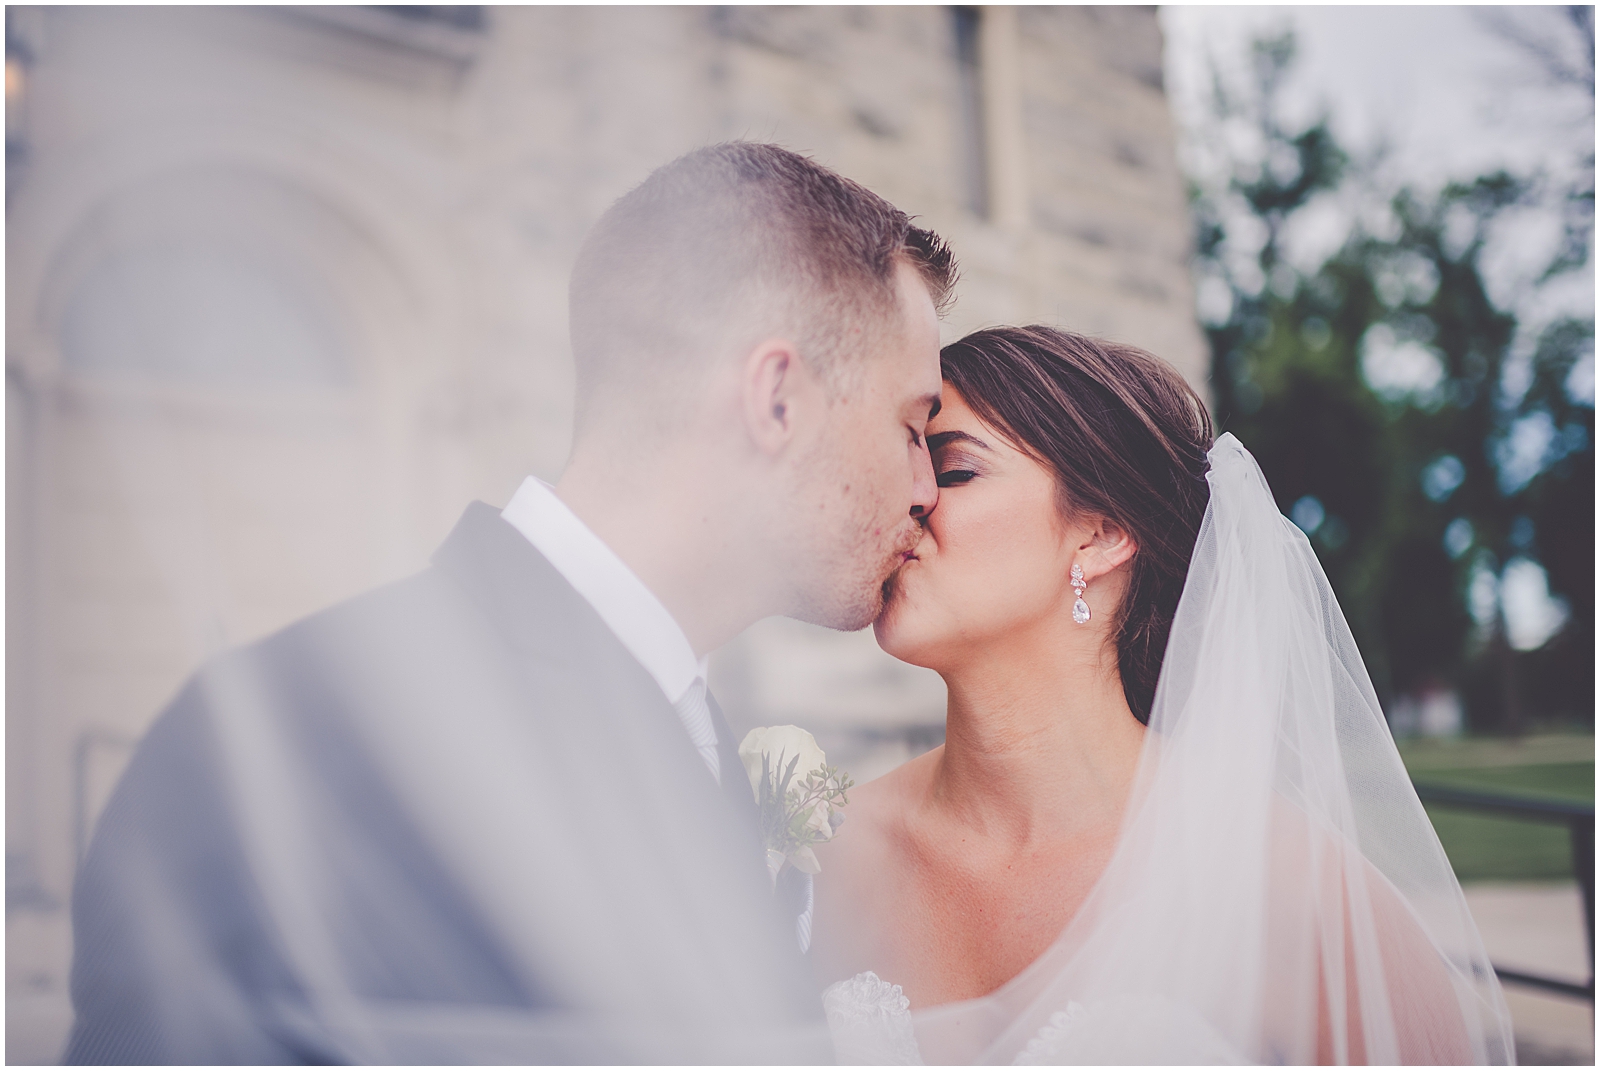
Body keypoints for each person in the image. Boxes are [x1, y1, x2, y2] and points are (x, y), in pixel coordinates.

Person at [64, 142, 954, 1063]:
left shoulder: (705, 743)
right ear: (776, 399)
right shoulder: (275, 741)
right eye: (912, 427)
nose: (928, 487)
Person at [813, 326, 1515, 1064]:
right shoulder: (823, 854)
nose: (908, 497)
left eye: (952, 469)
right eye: (903, 463)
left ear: (1101, 533)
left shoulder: (1291, 891)